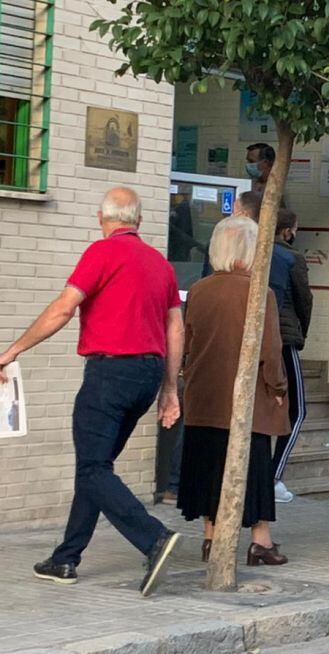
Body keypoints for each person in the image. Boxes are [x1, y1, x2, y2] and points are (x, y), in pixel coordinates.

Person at [0, 187, 183, 596]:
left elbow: (64, 309)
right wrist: (170, 388)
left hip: (109, 374)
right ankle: (65, 558)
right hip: (147, 375)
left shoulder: (101, 253)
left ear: (104, 219)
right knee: (96, 466)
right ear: (138, 221)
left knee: (92, 468)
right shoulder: (160, 264)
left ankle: (154, 538)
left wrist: (13, 350)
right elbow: (175, 327)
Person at [178, 217, 289, 566]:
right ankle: (260, 541)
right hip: (247, 399)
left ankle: (211, 539)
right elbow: (270, 349)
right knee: (252, 466)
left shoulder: (198, 290)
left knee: (210, 465)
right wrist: (278, 387)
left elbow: (189, 342)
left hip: (204, 395)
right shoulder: (260, 292)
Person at [267, 208, 314, 504]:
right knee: (297, 411)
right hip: (283, 338)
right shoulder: (292, 258)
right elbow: (304, 299)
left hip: (254, 338)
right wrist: (301, 333)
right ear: (288, 231)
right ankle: (274, 477)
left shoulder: (252, 250)